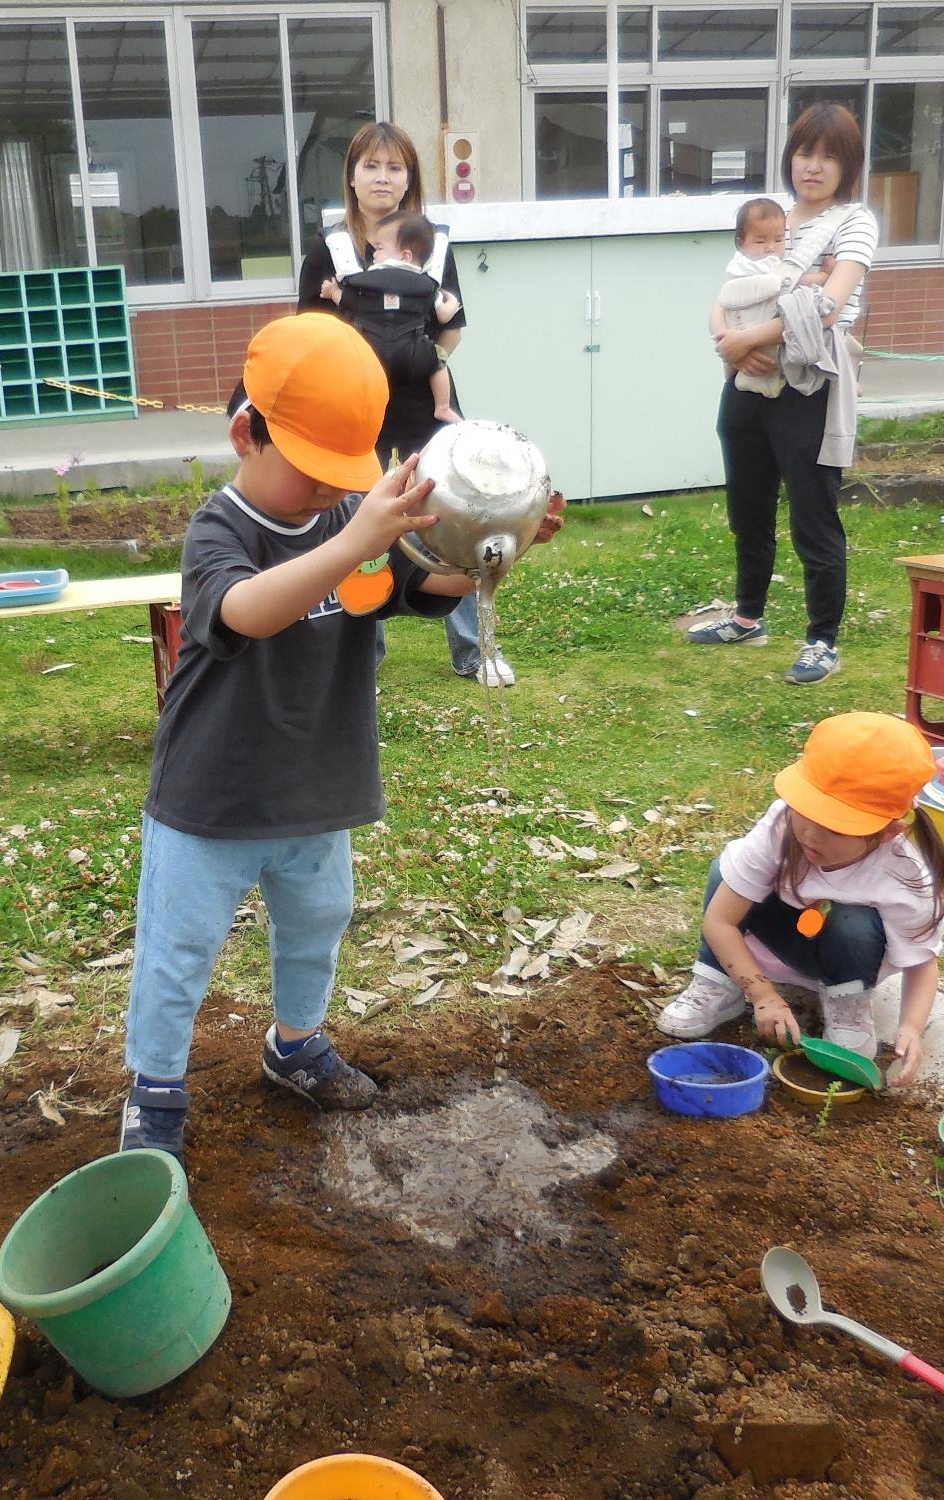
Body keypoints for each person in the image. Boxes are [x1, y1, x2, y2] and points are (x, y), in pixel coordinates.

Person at [116, 315, 564, 1157]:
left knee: (318, 924)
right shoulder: (220, 528)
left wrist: (497, 548)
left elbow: (424, 585)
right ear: (246, 435)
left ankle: (294, 1045)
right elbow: (245, 611)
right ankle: (156, 1091)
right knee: (178, 951)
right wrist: (356, 536)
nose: (330, 491)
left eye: (341, 474)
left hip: (318, 786)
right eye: (312, 470)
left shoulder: (351, 517)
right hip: (211, 798)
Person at [299, 123, 510, 688]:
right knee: (351, 518)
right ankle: (360, 650)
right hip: (353, 405)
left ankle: (474, 649)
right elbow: (308, 332)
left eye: (395, 168)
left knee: (454, 512)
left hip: (427, 405)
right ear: (351, 176)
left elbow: (452, 327)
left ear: (409, 179)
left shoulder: (432, 246)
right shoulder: (329, 250)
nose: (382, 178)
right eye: (371, 166)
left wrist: (420, 364)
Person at [655, 713, 944, 1087]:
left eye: (836, 828)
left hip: (845, 957)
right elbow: (721, 921)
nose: (811, 835)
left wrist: (911, 1028)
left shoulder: (905, 876)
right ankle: (719, 983)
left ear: (889, 830)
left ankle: (846, 1006)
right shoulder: (781, 825)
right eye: (806, 812)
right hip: (776, 940)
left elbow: (922, 963)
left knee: (854, 920)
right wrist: (762, 996)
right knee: (726, 871)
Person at [689, 103, 878, 687]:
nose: (812, 166)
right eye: (804, 153)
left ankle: (822, 640)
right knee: (748, 510)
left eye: (828, 156)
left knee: (813, 517)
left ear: (848, 165)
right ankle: (747, 617)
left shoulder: (854, 222)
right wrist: (729, 344)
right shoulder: (772, 218)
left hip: (808, 387)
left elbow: (827, 307)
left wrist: (748, 337)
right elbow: (730, 292)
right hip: (747, 385)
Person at [320, 210, 462, 424]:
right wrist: (452, 300)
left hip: (369, 353)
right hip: (413, 354)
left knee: (346, 367)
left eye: (379, 248)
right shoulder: (427, 285)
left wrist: (332, 291)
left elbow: (349, 303)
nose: (374, 254)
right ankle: (442, 407)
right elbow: (443, 316)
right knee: (438, 360)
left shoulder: (365, 282)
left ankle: (349, 405)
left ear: (405, 255)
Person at [713, 198, 835, 400]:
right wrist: (823, 276)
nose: (770, 247)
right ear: (740, 243)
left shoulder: (738, 265)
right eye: (760, 241)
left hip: (744, 338)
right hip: (754, 330)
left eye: (778, 240)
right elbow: (791, 281)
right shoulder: (758, 265)